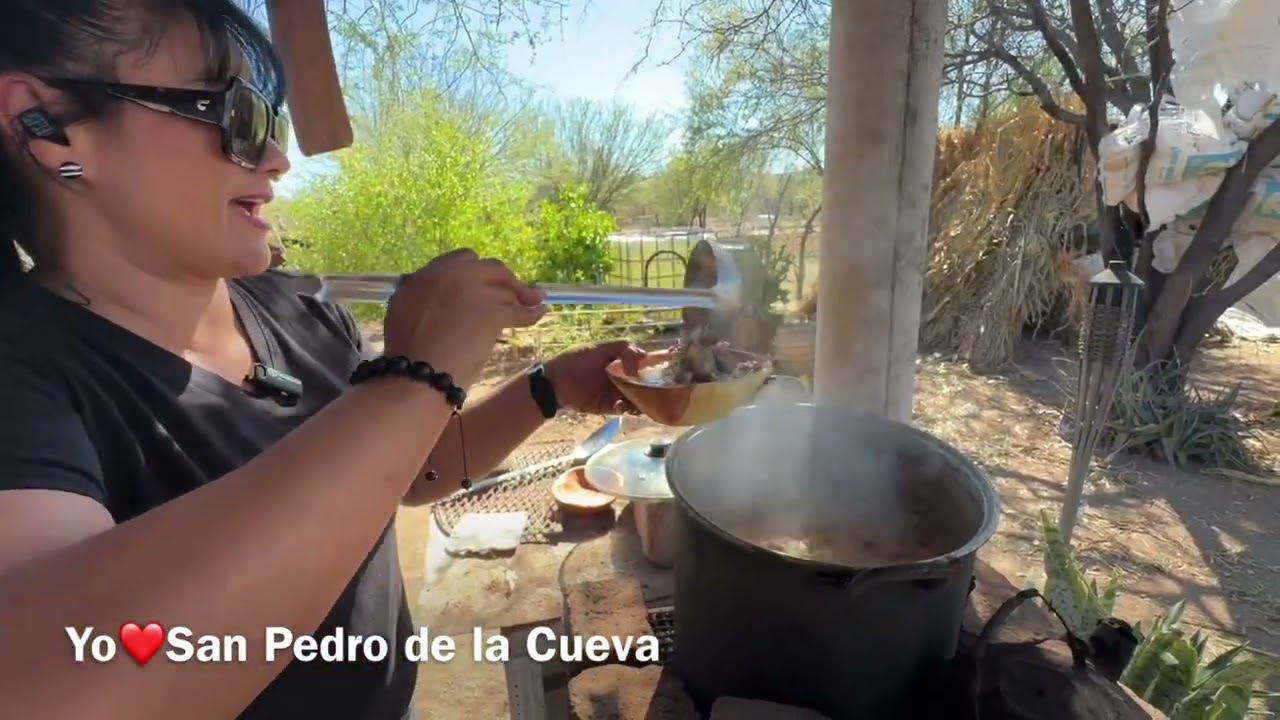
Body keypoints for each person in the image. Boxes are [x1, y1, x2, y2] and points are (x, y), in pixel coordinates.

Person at [0, 2, 643, 718]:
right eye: (232, 113)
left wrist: (550, 388)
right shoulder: (22, 375)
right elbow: (58, 682)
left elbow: (409, 470)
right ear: (47, 125)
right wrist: (412, 380)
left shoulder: (296, 307)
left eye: (269, 123)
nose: (276, 159)